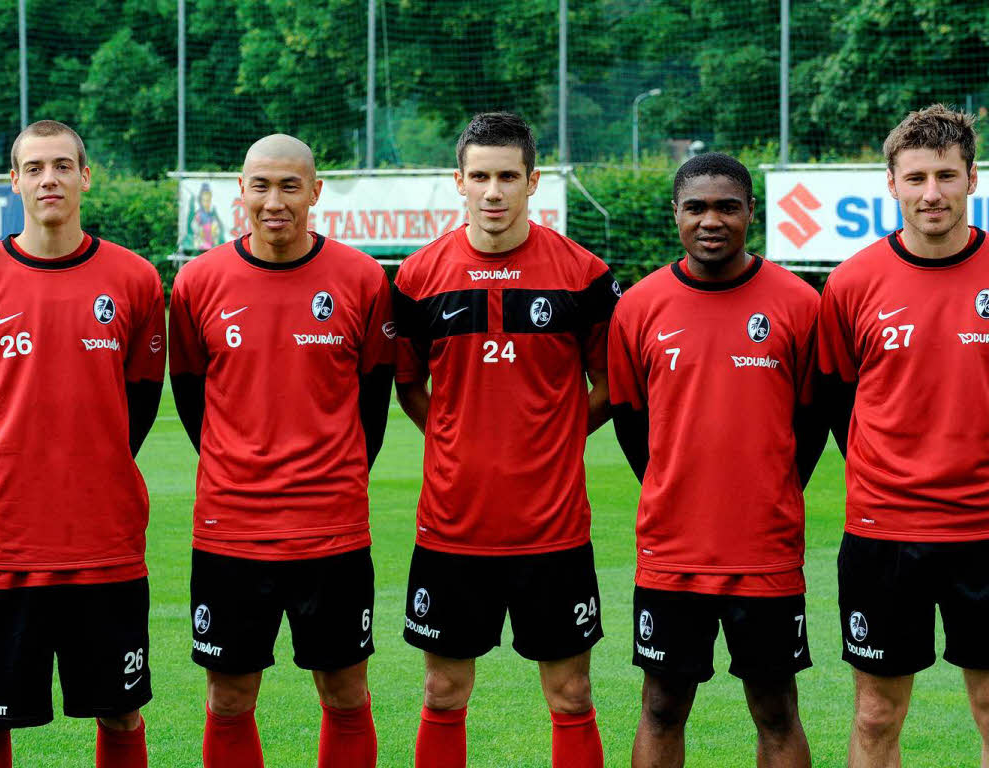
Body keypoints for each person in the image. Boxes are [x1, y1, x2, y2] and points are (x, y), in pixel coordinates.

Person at [393, 112, 618, 768]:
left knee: (572, 694)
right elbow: (409, 387)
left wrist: (555, 439)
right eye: (480, 176)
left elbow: (610, 383)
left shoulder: (582, 274)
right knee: (442, 690)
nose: (494, 191)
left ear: (533, 182)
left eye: (508, 177)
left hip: (554, 531)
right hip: (452, 527)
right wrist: (453, 440)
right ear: (457, 181)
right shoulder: (416, 277)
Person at [168, 134, 394, 768]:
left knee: (346, 694)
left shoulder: (362, 279)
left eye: (290, 186)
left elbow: (370, 403)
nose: (274, 201)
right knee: (230, 697)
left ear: (315, 192)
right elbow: (192, 400)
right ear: (240, 191)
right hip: (230, 533)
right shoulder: (196, 282)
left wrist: (334, 475)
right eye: (261, 186)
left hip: (332, 532)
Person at [609, 152, 825, 768]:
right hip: (672, 550)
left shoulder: (797, 302)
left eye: (727, 207)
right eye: (696, 207)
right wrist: (671, 485)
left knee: (777, 707)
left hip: (765, 548)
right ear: (675, 214)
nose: (712, 220)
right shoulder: (641, 306)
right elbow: (631, 423)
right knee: (661, 705)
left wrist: (770, 488)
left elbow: (810, 425)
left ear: (750, 213)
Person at [0, 120, 165, 768]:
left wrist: (93, 467)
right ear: (15, 180)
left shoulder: (134, 279)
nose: (48, 178)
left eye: (62, 165)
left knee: (120, 709)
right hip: (2, 544)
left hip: (103, 544)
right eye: (34, 167)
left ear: (86, 176)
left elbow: (139, 407)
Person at [817, 104, 989, 767]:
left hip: (984, 533)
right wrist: (885, 469)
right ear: (890, 183)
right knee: (876, 714)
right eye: (916, 178)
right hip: (884, 534)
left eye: (946, 176)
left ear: (971, 178)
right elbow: (835, 397)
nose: (932, 193)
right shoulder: (853, 283)